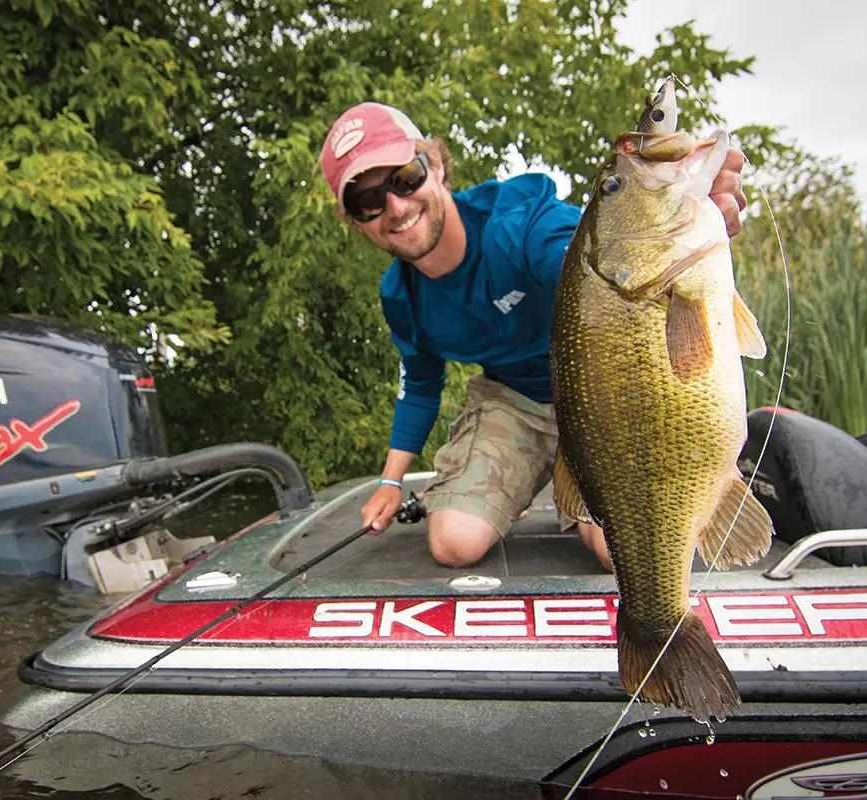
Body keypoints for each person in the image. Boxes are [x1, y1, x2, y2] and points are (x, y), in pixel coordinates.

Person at [317, 102, 748, 571]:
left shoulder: (519, 221)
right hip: (514, 401)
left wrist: (672, 225)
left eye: (405, 177)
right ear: (356, 221)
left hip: (610, 400)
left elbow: (597, 266)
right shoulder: (400, 296)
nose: (396, 207)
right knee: (453, 543)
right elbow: (420, 385)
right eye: (368, 200)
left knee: (621, 554)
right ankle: (526, 480)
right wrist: (390, 482)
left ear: (435, 166)